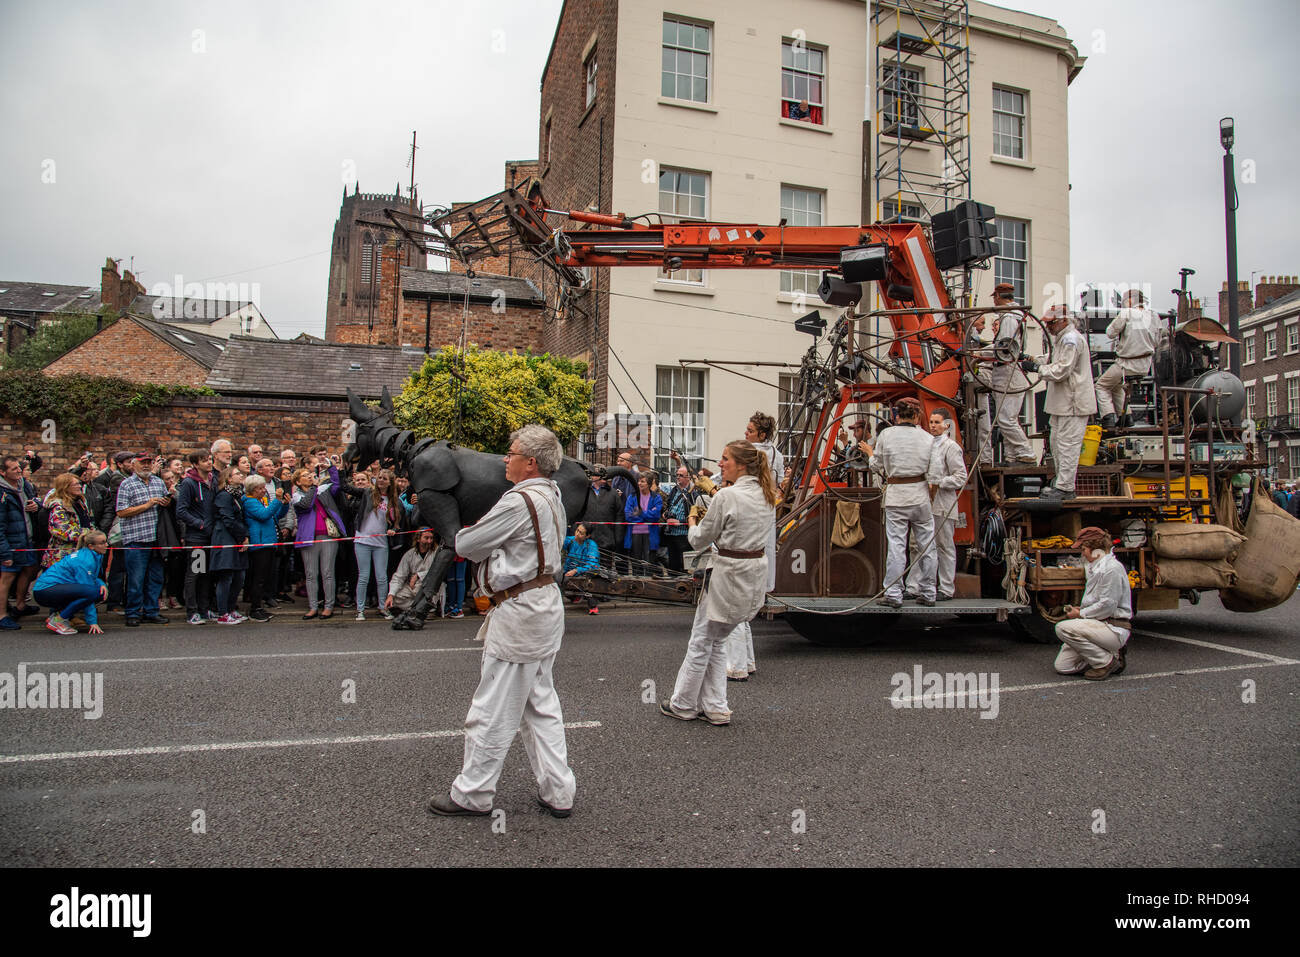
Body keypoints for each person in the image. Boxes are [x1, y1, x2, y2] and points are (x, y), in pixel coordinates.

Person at [427, 424, 576, 819]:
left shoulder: (518, 500)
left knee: (492, 707)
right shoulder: (552, 495)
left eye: (510, 453)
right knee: (540, 705)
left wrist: (472, 532)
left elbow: (466, 545)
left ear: (529, 462)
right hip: (543, 604)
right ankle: (559, 791)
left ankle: (473, 793)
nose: (504, 460)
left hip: (520, 610)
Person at [661, 440, 777, 726]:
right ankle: (715, 707)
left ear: (741, 465)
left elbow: (699, 539)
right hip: (752, 576)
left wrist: (691, 519)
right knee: (718, 639)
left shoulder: (727, 496)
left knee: (701, 641)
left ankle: (684, 703)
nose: (720, 463)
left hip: (727, 575)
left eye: (725, 459)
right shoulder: (766, 495)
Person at [1022, 306, 1097, 501]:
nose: (1048, 326)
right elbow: (1055, 359)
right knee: (1056, 443)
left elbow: (1062, 369)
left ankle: (1065, 487)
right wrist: (1031, 359)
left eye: (1051, 322)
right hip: (1062, 403)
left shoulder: (1070, 339)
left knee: (1067, 445)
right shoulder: (1062, 339)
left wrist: (1038, 368)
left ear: (1063, 320)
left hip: (1073, 402)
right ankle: (1061, 483)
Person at [869, 398, 938, 607]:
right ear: (917, 416)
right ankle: (928, 592)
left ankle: (894, 594)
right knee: (927, 546)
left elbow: (876, 465)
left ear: (896, 416)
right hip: (920, 495)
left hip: (897, 496)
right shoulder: (928, 438)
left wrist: (871, 457)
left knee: (897, 546)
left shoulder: (886, 435)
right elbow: (934, 474)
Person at [905, 407, 968, 601]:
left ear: (946, 424)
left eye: (937, 422)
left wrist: (939, 481)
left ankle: (946, 588)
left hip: (943, 504)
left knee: (944, 545)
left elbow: (961, 477)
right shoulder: (927, 444)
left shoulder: (951, 447)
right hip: (925, 503)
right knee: (917, 545)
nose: (933, 426)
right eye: (931, 422)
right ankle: (913, 587)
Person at [1053, 526, 1131, 680]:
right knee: (1063, 667)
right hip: (1097, 625)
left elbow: (1108, 606)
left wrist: (1081, 614)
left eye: (1084, 549)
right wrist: (1081, 610)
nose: (1082, 553)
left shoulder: (1112, 569)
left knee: (1062, 628)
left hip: (1112, 627)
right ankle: (1109, 654)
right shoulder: (1095, 567)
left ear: (1095, 550)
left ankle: (1105, 661)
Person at [973, 283, 1038, 466]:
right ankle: (1013, 457)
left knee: (1005, 419)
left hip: (1008, 371)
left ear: (999, 297)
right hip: (1007, 371)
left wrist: (979, 355)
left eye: (995, 297)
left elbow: (1004, 347)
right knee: (1006, 418)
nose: (993, 301)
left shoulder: (1009, 317)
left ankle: (1026, 452)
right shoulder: (1015, 315)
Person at [115, 452, 172, 627]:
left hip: (157, 538)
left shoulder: (158, 482)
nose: (146, 466)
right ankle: (133, 612)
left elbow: (166, 502)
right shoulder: (126, 484)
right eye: (142, 463)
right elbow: (121, 511)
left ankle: (151, 611)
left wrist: (166, 502)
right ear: (133, 465)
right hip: (136, 538)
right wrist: (147, 505)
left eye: (149, 462)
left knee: (155, 579)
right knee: (136, 579)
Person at [291, 464, 348, 619]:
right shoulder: (297, 496)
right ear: (297, 482)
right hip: (308, 538)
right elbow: (306, 505)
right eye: (305, 475)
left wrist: (331, 468)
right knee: (311, 574)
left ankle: (328, 606)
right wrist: (314, 489)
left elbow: (336, 485)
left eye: (310, 474)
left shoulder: (321, 490)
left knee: (328, 573)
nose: (309, 477)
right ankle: (313, 606)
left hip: (328, 537)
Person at [1096, 290, 1158, 429]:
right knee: (1116, 385)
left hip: (1127, 364)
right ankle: (1127, 417)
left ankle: (1108, 418)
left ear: (1130, 301)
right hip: (1144, 366)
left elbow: (1110, 333)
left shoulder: (1127, 313)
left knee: (1101, 385)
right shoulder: (1154, 316)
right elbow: (1157, 341)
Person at [32, 529, 110, 636]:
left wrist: (101, 583)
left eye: (106, 541)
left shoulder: (93, 555)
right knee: (94, 593)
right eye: (102, 543)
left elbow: (92, 577)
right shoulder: (85, 560)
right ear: (91, 546)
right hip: (44, 591)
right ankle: (59, 620)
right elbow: (88, 589)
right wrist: (92, 622)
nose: (107, 545)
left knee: (97, 591)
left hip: (49, 589)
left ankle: (59, 615)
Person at [177, 451, 218, 625]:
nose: (208, 463)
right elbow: (181, 511)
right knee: (195, 573)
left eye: (209, 459)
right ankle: (192, 611)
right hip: (197, 537)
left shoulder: (212, 481)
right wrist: (200, 524)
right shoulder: (189, 483)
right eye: (204, 460)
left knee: (207, 574)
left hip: (211, 536)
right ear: (195, 464)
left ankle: (204, 608)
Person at [0, 453, 41, 630]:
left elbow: (36, 500)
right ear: (2, 472)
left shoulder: (24, 485)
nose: (19, 471)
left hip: (27, 539)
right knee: (7, 578)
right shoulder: (2, 492)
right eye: (14, 468)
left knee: (30, 569)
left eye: (19, 467)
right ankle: (2, 615)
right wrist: (4, 551)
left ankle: (20, 606)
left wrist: (36, 504)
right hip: (11, 542)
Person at [353, 469, 398, 621]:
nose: (380, 480)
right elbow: (348, 489)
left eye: (384, 478)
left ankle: (383, 607)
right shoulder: (368, 493)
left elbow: (398, 520)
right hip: (362, 540)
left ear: (390, 482)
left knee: (381, 577)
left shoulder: (392, 500)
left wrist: (393, 529)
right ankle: (360, 609)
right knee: (364, 576)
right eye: (379, 478)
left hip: (381, 543)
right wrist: (338, 469)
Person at [241, 474, 287, 622]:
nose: (263, 490)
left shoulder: (261, 500)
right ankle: (255, 608)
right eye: (260, 488)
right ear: (252, 490)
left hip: (268, 541)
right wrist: (277, 500)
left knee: (265, 577)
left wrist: (284, 504)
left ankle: (259, 606)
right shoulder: (249, 501)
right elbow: (264, 515)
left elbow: (275, 516)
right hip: (259, 543)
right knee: (258, 578)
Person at [210, 467, 249, 624]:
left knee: (240, 576)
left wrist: (244, 537)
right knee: (226, 576)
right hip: (225, 538)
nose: (241, 476)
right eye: (237, 474)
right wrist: (242, 537)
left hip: (237, 538)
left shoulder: (237, 496)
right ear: (228, 479)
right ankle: (222, 612)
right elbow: (228, 519)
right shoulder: (224, 496)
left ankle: (232, 608)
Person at [41, 473, 92, 570]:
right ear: (65, 487)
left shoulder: (80, 503)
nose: (79, 486)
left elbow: (89, 522)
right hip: (62, 556)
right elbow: (61, 531)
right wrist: (86, 535)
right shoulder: (58, 506)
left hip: (80, 553)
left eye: (79, 483)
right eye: (75, 484)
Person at [386, 528, 437, 614]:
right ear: (418, 539)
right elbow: (399, 576)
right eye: (426, 538)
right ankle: (418, 609)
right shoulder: (409, 554)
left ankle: (423, 609)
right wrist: (391, 595)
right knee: (395, 598)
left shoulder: (436, 552)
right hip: (411, 587)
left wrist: (418, 575)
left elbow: (437, 571)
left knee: (428, 591)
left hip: (429, 586)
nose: (429, 541)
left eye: (431, 538)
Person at [659, 464, 697, 573]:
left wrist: (679, 522)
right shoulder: (674, 490)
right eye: (677, 475)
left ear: (688, 478)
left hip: (683, 534)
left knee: (684, 566)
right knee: (673, 566)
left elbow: (696, 517)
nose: (678, 477)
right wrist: (665, 514)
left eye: (681, 475)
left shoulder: (694, 494)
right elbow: (669, 506)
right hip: (671, 533)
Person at [623, 472, 663, 566]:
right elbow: (628, 516)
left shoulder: (656, 497)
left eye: (642, 481)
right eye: (639, 481)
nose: (639, 483)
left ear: (649, 484)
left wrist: (640, 513)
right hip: (634, 534)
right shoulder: (632, 497)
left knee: (649, 564)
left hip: (650, 534)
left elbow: (656, 516)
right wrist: (647, 516)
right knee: (636, 564)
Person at [562, 522, 601, 614]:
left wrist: (576, 570)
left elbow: (592, 564)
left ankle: (593, 607)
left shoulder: (591, 545)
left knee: (590, 582)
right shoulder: (570, 540)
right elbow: (558, 543)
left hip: (585, 572)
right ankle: (576, 596)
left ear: (587, 536)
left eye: (581, 533)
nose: (577, 534)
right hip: (569, 571)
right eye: (577, 530)